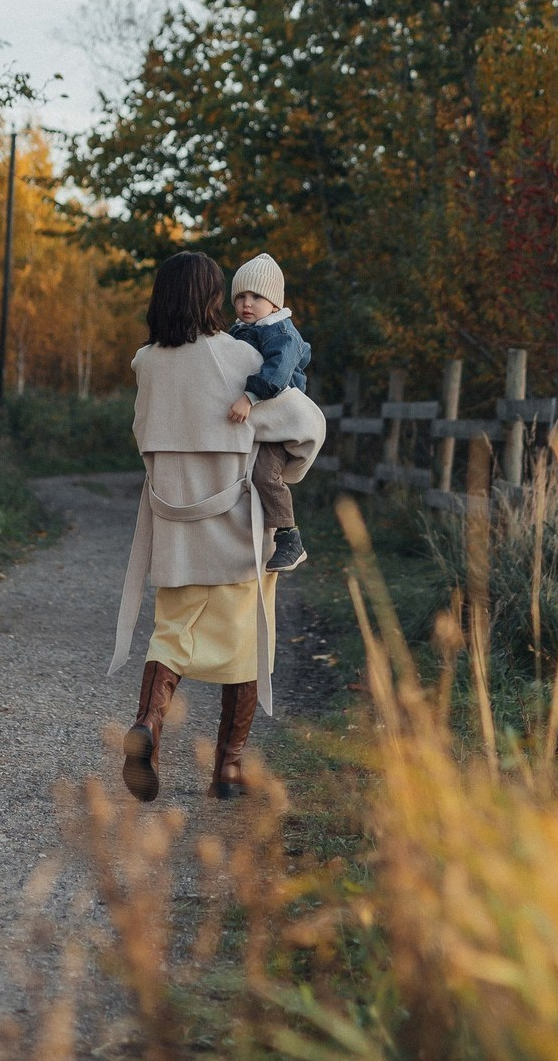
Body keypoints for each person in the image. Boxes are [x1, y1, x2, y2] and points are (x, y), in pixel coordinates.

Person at [110, 251, 324, 803]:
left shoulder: (147, 364)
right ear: (212, 300)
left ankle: (149, 728)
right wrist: (285, 471)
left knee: (171, 636)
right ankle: (228, 769)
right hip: (235, 529)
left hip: (174, 529)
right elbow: (305, 426)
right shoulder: (238, 359)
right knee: (244, 642)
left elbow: (141, 436)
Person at [226, 253, 312, 574]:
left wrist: (249, 396)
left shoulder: (281, 332)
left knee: (265, 474)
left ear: (274, 303)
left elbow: (277, 372)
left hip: (280, 423)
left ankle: (290, 535)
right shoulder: (239, 330)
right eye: (240, 297)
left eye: (256, 297)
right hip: (258, 424)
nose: (247, 303)